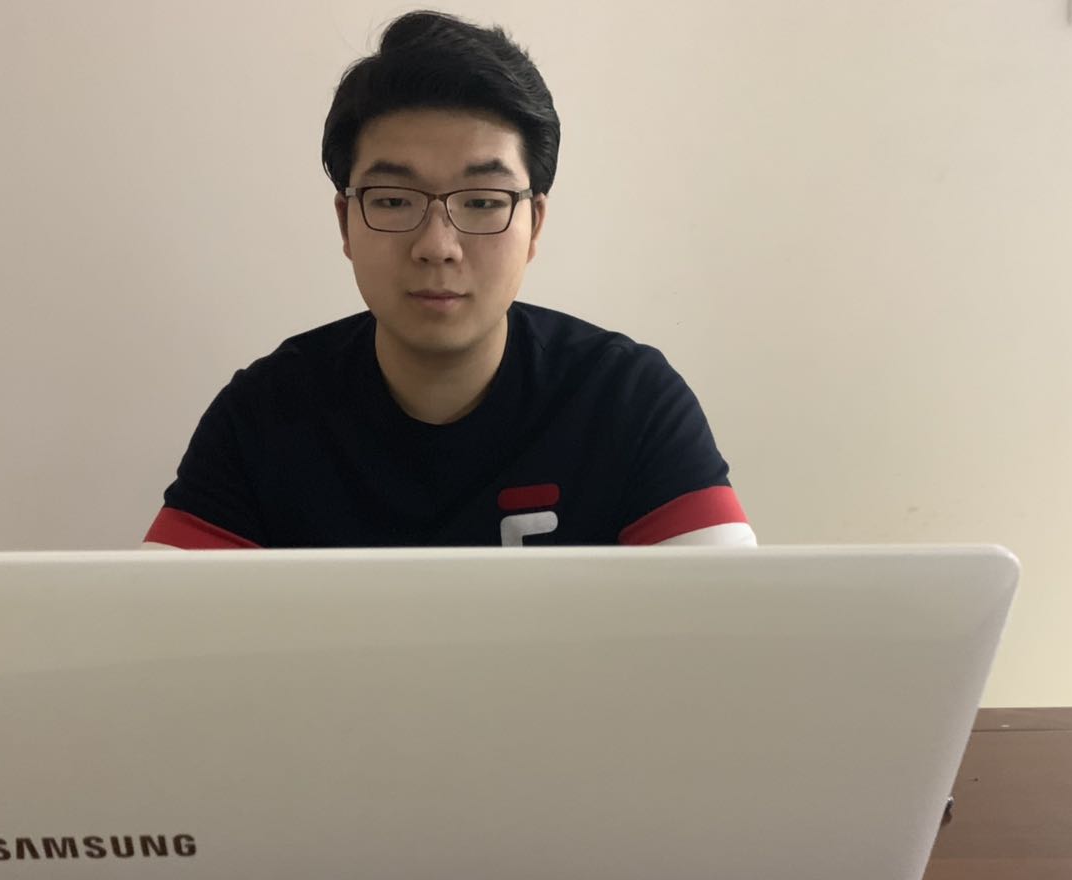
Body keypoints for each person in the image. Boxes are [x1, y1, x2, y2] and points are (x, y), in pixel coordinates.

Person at [144, 10, 755, 550]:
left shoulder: (627, 402)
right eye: (393, 200)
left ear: (534, 224)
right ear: (346, 222)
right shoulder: (265, 416)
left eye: (483, 201)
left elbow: (731, 623)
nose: (438, 246)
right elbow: (158, 626)